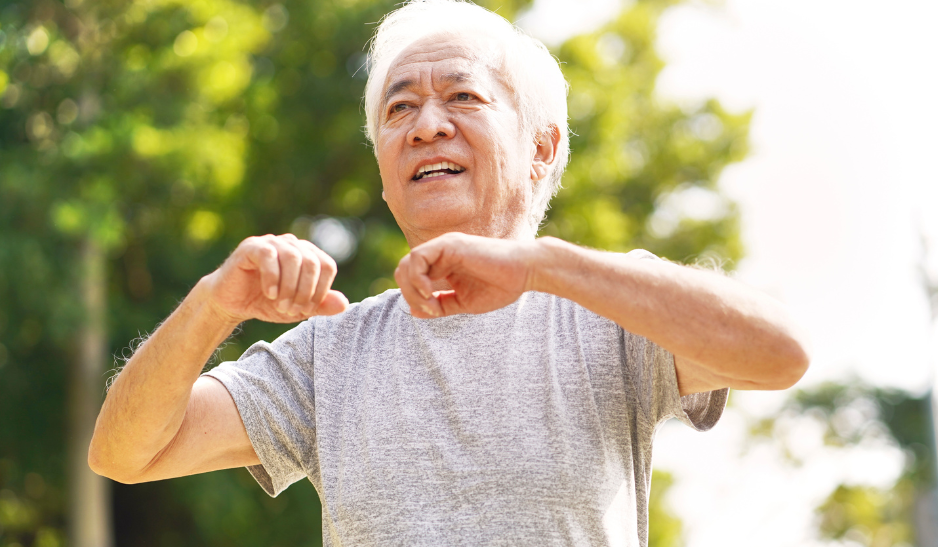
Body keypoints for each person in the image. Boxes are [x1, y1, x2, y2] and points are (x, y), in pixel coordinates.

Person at [88, 1, 810, 545]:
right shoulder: (329, 350)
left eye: (463, 96)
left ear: (541, 148)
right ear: (383, 174)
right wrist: (214, 304)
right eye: (400, 108)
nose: (426, 124)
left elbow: (781, 352)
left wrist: (537, 265)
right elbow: (125, 452)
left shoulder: (611, 310)